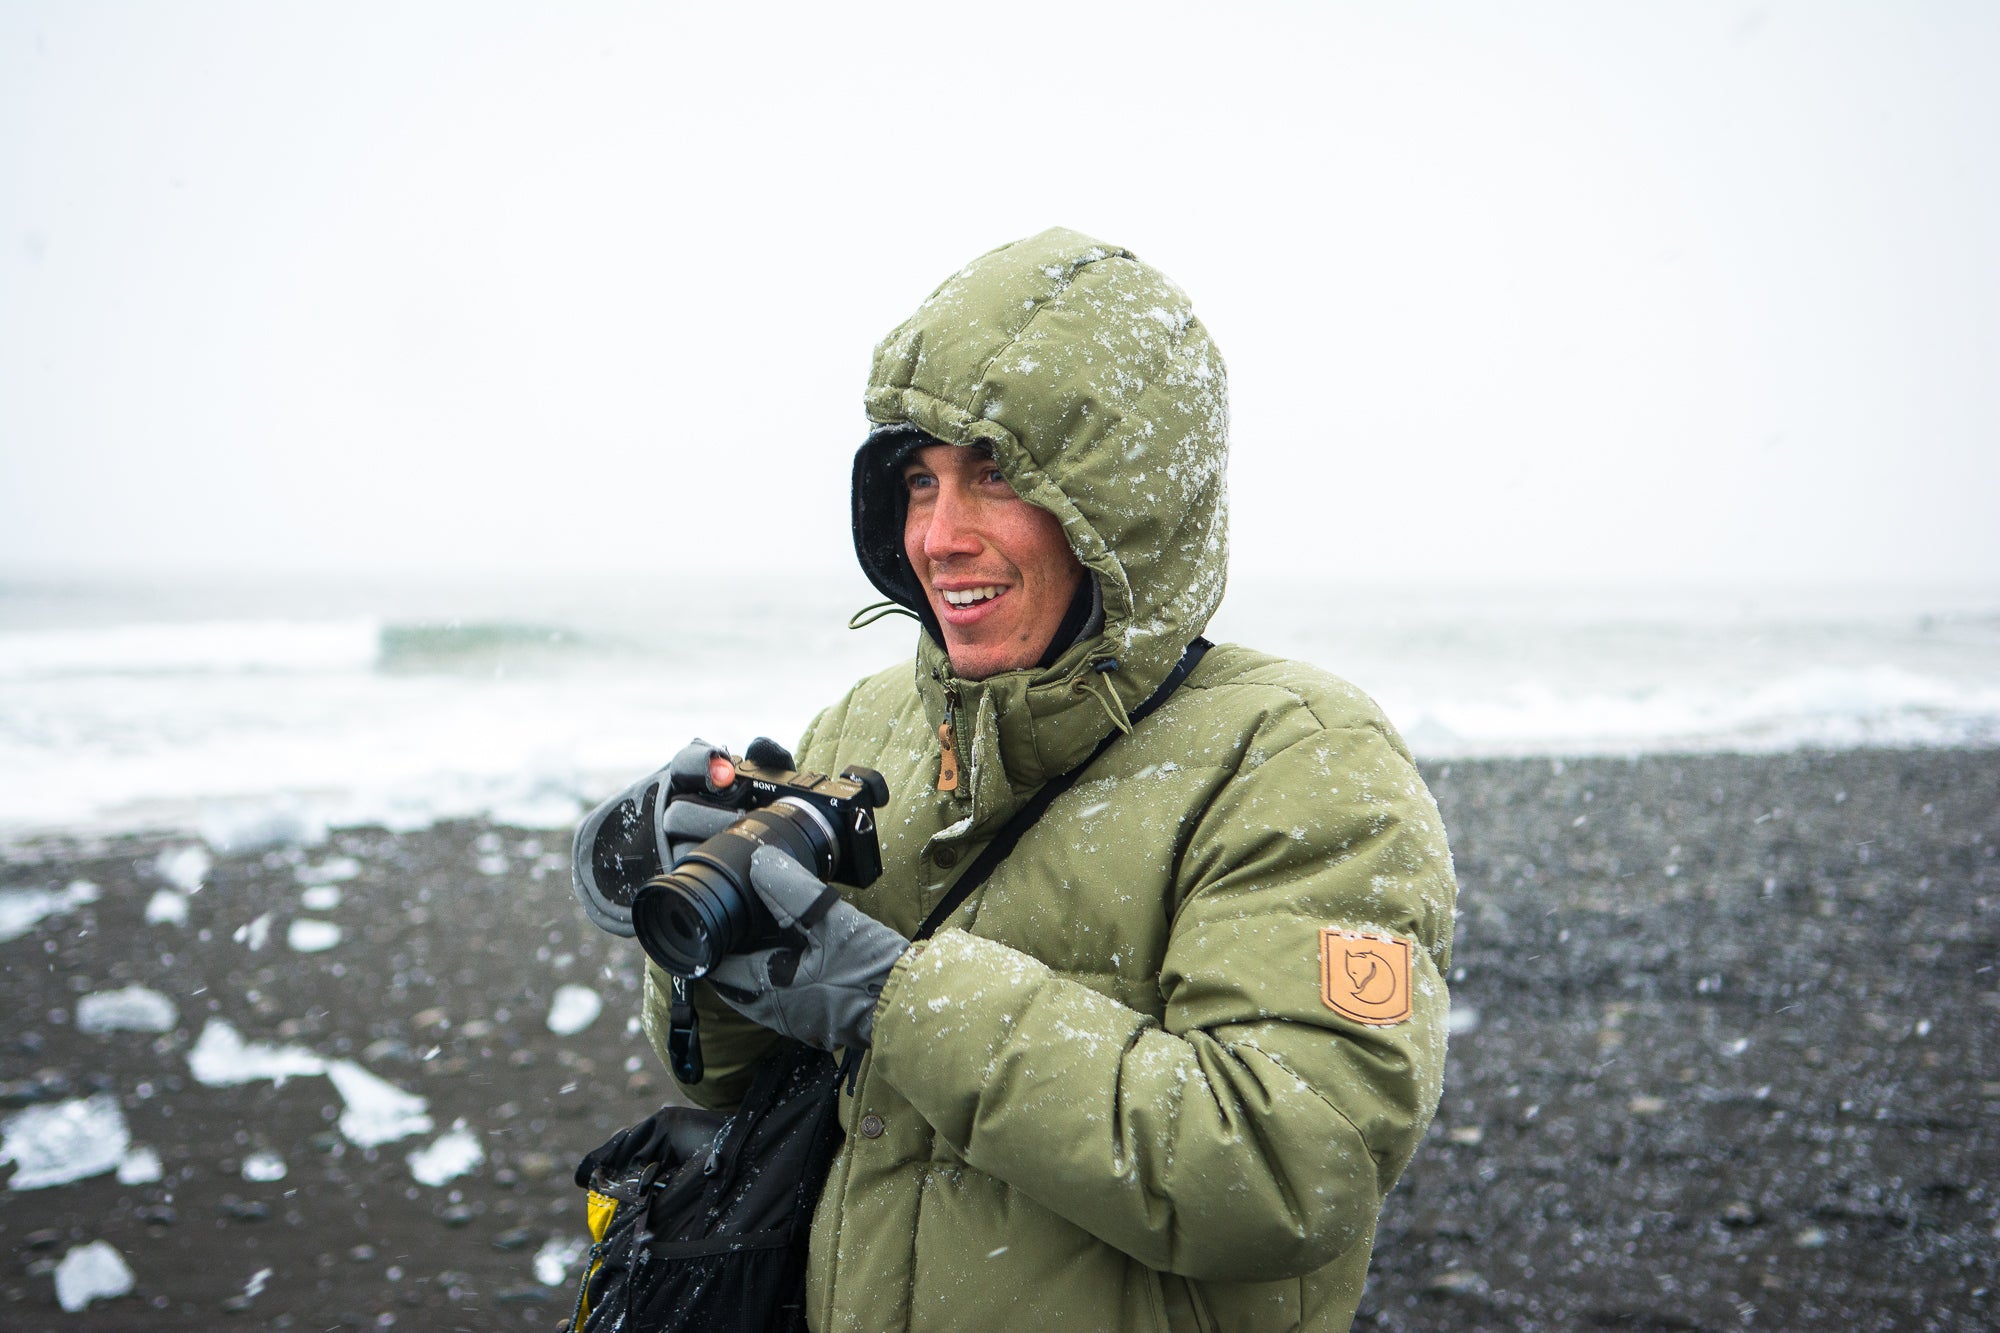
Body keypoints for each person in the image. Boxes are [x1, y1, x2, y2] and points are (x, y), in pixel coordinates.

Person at [639, 228, 1457, 1332]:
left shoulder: (1302, 756)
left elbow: (1287, 1163)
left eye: (995, 475)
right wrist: (709, 936)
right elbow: (728, 1086)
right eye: (917, 482)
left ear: (1119, 506)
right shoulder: (872, 722)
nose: (938, 536)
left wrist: (890, 995)